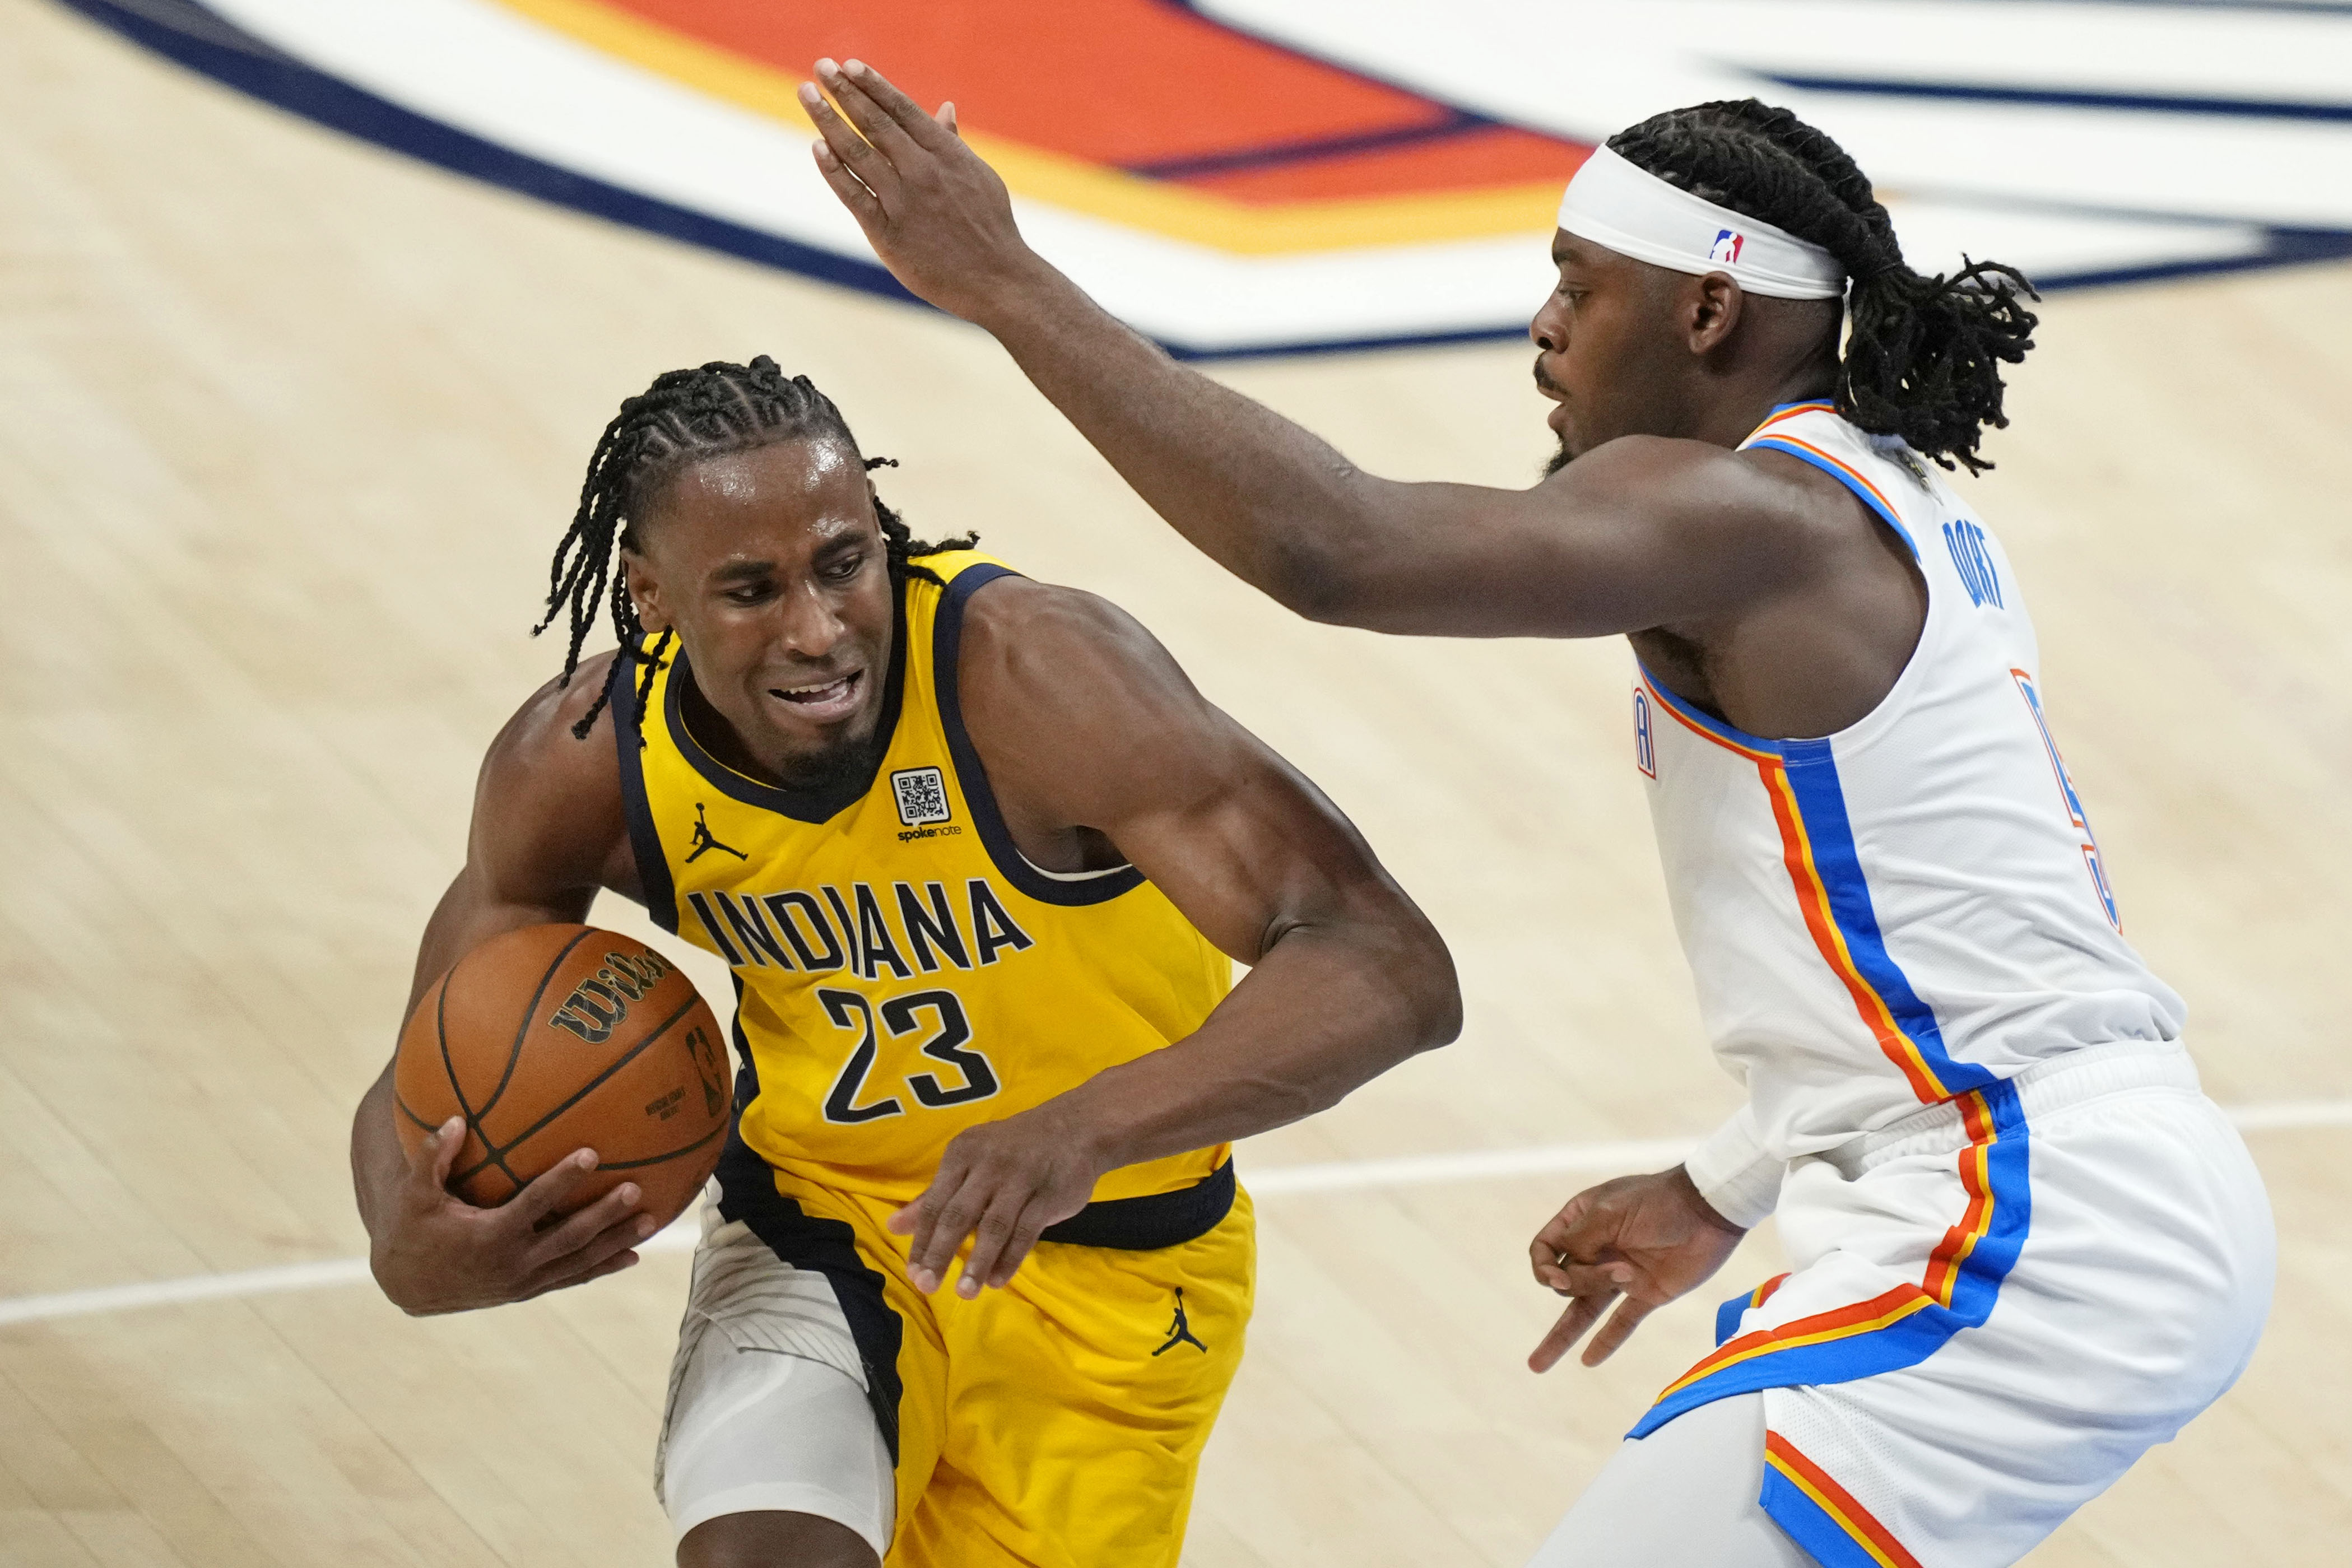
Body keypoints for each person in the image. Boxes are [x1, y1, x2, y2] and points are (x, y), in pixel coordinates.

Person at [796, 62, 2276, 1568]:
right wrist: (1724, 1180)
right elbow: (1952, 949)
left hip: (2029, 1219)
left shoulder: (1752, 518)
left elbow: (1334, 550)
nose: (1544, 326)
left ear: (1706, 312)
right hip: (2068, 1188)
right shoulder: (1868, 506)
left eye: (1578, 283)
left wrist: (1004, 283)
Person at [346, 356, 1461, 1568]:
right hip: (822, 1232)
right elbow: (429, 1075)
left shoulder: (1036, 680)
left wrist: (1083, 1127)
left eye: (842, 561)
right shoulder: (580, 762)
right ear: (651, 596)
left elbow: (1388, 965)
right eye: (750, 590)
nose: (817, 629)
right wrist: (399, 1234)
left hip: (1114, 1268)